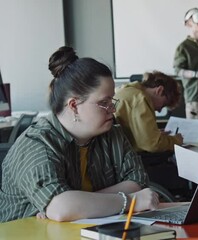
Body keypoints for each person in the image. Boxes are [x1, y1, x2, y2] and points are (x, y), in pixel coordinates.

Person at [0, 46, 159, 223]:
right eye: (104, 102)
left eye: (112, 100)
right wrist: (129, 201)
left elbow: (138, 182)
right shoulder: (37, 145)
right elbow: (62, 209)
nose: (112, 109)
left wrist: (78, 204)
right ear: (74, 105)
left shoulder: (112, 134)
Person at [114, 71, 183, 153]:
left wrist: (152, 133)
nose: (160, 110)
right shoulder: (140, 99)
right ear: (159, 90)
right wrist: (176, 140)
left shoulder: (127, 91)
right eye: (163, 104)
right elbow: (152, 144)